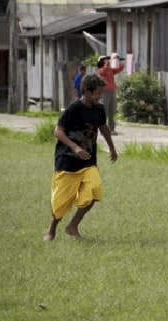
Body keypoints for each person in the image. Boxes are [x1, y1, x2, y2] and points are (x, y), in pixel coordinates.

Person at [43, 74, 119, 241]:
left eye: (101, 94)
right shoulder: (74, 109)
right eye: (97, 94)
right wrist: (75, 147)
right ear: (86, 91)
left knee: (93, 192)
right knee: (61, 201)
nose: (99, 97)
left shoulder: (99, 109)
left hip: (88, 161)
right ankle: (52, 229)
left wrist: (112, 148)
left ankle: (73, 226)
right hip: (67, 161)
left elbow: (103, 127)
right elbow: (58, 132)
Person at [97, 54, 124, 134]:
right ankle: (103, 130)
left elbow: (119, 69)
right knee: (104, 112)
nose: (107, 60)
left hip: (112, 91)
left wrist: (119, 62)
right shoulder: (101, 69)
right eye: (105, 59)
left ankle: (111, 129)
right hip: (105, 92)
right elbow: (103, 70)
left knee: (111, 111)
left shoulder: (109, 69)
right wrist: (108, 63)